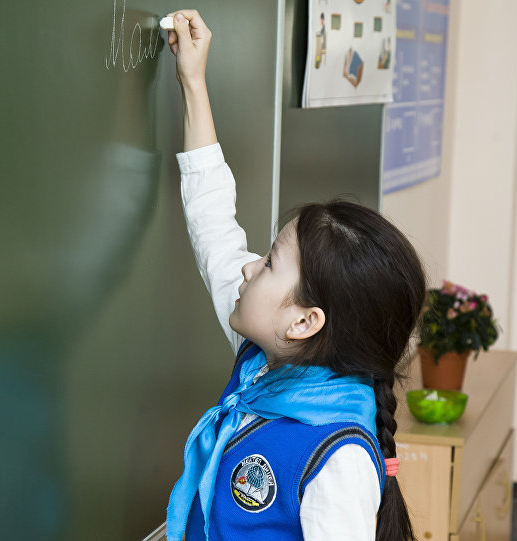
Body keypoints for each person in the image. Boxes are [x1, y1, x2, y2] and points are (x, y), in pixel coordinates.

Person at [163, 10, 425, 541]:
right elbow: (214, 224)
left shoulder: (339, 457)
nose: (248, 265)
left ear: (305, 321)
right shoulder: (268, 360)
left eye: (268, 264)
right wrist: (193, 82)